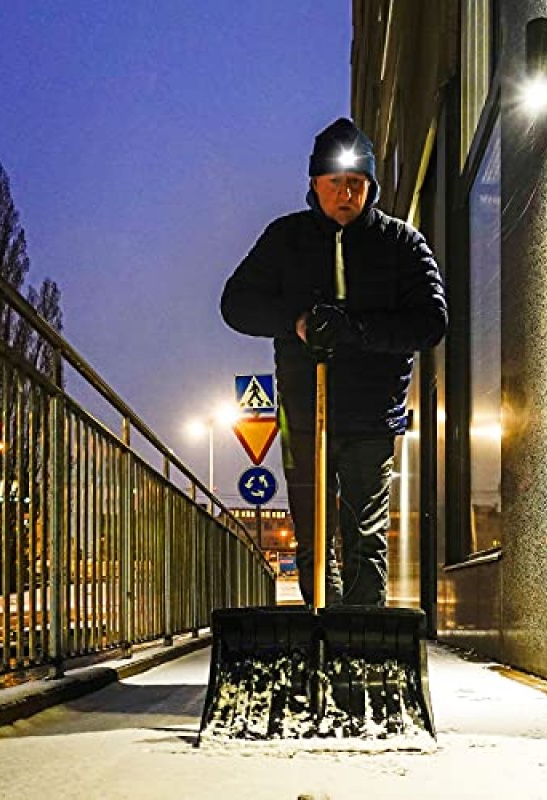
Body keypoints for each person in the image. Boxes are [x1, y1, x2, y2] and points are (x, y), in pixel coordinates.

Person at [220, 117, 447, 607]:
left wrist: (358, 330)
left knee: (365, 537)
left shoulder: (403, 245)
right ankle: (322, 628)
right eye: (334, 184)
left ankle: (363, 640)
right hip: (304, 417)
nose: (345, 195)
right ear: (314, 185)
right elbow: (235, 304)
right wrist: (296, 321)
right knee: (313, 540)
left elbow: (430, 321)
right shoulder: (286, 239)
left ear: (371, 186)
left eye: (355, 184)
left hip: (372, 416)